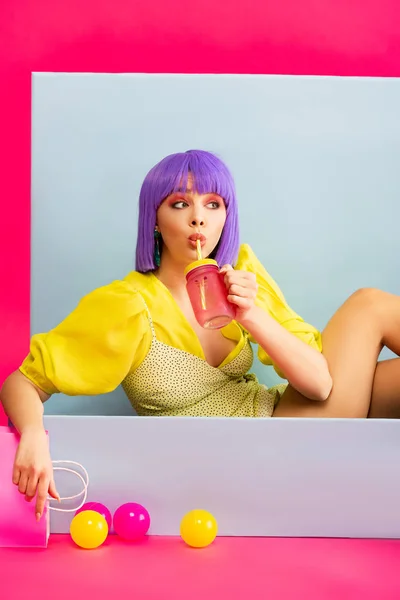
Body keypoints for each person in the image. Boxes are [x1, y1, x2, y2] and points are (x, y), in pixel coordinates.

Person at [1, 149, 400, 520]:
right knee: (370, 304)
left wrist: (252, 315)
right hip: (255, 458)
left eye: (213, 204)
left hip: (288, 419)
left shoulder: (241, 275)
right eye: (180, 204)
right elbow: (22, 382)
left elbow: (319, 384)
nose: (199, 218)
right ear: (154, 219)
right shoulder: (127, 304)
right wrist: (33, 435)